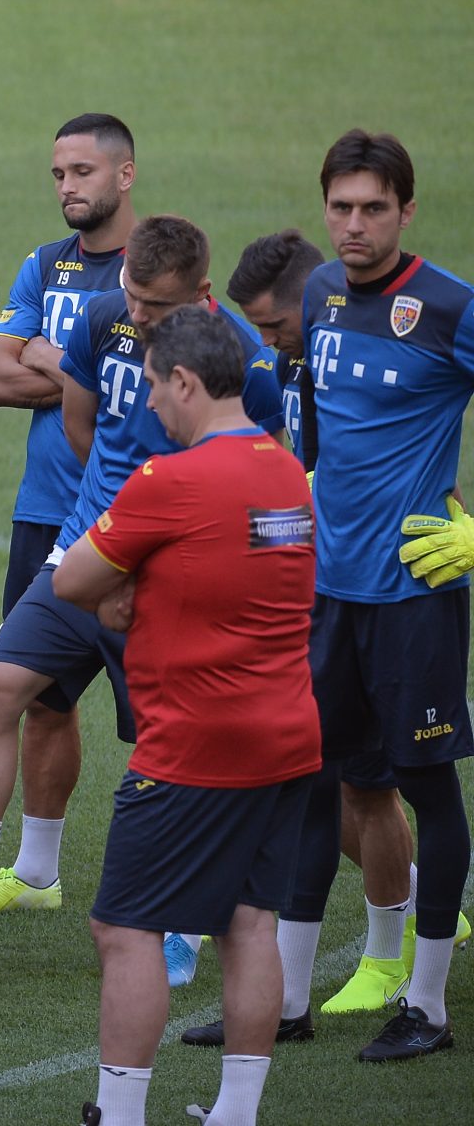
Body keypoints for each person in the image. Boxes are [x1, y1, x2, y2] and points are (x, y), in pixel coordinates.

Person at [0, 216, 280, 981]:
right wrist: (116, 519)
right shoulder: (104, 316)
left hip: (178, 577)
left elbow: (263, 469)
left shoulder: (245, 359)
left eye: (155, 306)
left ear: (201, 295)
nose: (137, 314)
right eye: (132, 294)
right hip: (89, 547)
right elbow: (82, 425)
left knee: (175, 744)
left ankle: (184, 924)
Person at [51, 306, 321, 1126]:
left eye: (152, 388)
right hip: (286, 735)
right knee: (250, 922)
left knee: (124, 928)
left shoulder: (170, 480)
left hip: (196, 743)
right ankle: (237, 1113)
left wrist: (125, 592)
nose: (146, 405)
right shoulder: (286, 469)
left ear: (184, 381)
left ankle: (121, 1113)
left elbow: (71, 581)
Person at [281, 130, 474, 1062]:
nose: (354, 225)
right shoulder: (319, 293)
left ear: (406, 210)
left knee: (427, 788)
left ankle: (427, 1009)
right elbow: (319, 437)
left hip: (413, 596)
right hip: (327, 593)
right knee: (311, 784)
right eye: (341, 207)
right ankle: (285, 1002)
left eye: (373, 208)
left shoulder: (450, 308)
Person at [227, 227, 448, 1015]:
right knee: (322, 778)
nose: (266, 340)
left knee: (376, 785)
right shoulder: (297, 356)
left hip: (389, 595)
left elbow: (420, 452)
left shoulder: (371, 343)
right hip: (320, 588)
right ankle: (393, 924)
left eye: (273, 324)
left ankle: (390, 955)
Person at [0, 113, 134, 926]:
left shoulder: (156, 271)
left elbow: (144, 389)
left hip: (134, 529)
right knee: (40, 697)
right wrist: (84, 370)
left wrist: (51, 355)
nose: (68, 187)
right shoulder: (45, 264)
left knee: (161, 719)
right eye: (58, 174)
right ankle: (36, 870)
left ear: (124, 175)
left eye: (83, 172)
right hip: (48, 515)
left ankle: (181, 904)